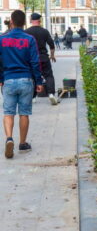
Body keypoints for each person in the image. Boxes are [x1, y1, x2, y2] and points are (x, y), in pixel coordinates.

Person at [0, 10, 43, 158]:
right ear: (25, 22)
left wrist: (1, 79)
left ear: (11, 21)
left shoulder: (2, 39)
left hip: (9, 80)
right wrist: (39, 81)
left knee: (8, 112)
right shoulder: (29, 39)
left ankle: (9, 138)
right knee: (24, 113)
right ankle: (22, 143)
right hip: (26, 79)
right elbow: (35, 62)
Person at [25, 13, 58, 105]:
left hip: (31, 59)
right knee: (49, 76)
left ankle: (33, 97)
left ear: (31, 20)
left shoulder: (26, 32)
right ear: (40, 21)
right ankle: (51, 94)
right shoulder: (45, 31)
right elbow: (51, 44)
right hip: (43, 57)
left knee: (32, 77)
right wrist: (52, 55)